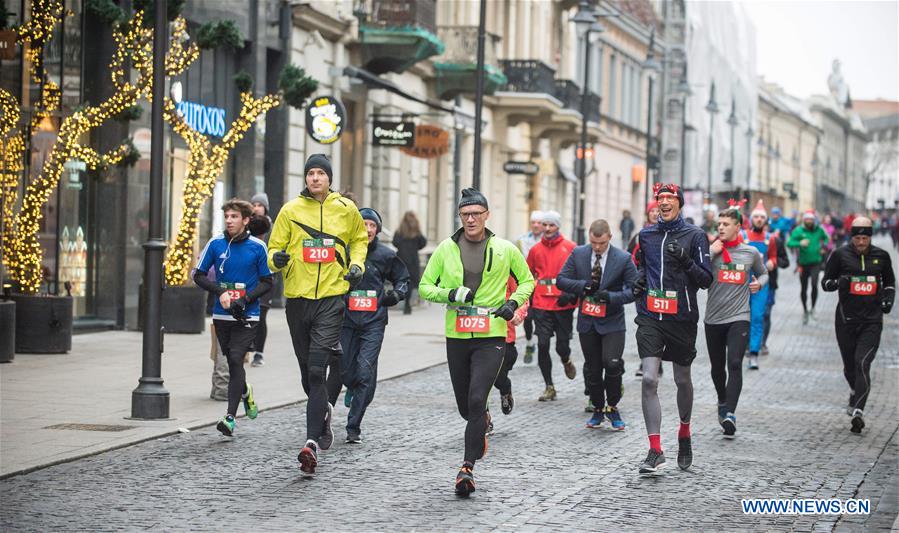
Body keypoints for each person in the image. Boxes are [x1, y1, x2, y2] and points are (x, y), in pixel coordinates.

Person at [419, 188, 535, 497]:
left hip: (491, 336)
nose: (471, 219)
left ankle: (466, 469)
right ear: (460, 217)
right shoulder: (446, 248)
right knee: (466, 407)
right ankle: (479, 422)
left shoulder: (505, 248)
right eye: (465, 214)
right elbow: (425, 287)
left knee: (475, 398)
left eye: (476, 214)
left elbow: (527, 281)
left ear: (486, 215)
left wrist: (512, 303)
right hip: (457, 335)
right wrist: (451, 294)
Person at [267, 153, 368, 476]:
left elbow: (359, 240)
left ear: (329, 179)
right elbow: (273, 249)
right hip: (297, 298)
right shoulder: (290, 210)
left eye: (320, 173)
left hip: (331, 297)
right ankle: (322, 411)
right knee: (306, 374)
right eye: (310, 173)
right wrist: (277, 259)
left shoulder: (346, 210)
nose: (315, 178)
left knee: (315, 370)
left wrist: (356, 266)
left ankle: (310, 443)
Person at [632, 183, 712, 474]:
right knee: (650, 379)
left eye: (669, 198)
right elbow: (642, 267)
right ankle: (655, 449)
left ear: (679, 203)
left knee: (681, 379)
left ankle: (684, 431)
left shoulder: (696, 236)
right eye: (660, 198)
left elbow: (705, 280)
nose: (664, 203)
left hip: (682, 317)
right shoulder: (646, 235)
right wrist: (639, 282)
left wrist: (686, 260)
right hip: (651, 315)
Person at [193, 199, 272, 436]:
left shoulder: (257, 247)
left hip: (248, 314)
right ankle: (245, 391)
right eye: (227, 216)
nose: (229, 220)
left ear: (246, 220)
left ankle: (229, 417)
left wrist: (244, 299)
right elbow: (198, 275)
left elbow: (268, 282)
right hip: (221, 315)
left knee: (237, 358)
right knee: (231, 360)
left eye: (234, 217)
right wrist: (220, 292)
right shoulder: (216, 244)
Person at [558, 219, 637, 430]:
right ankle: (598, 409)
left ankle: (613, 406)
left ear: (609, 237)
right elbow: (561, 280)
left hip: (612, 321)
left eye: (601, 243)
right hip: (588, 320)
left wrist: (610, 297)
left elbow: (634, 290)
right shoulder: (579, 254)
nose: (597, 247)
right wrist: (583, 286)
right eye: (593, 242)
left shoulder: (623, 258)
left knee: (611, 364)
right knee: (593, 369)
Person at [340, 208, 409, 444]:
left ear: (377, 229)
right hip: (347, 321)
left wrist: (396, 295)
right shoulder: (345, 252)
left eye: (372, 225)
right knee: (347, 371)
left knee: (364, 372)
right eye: (363, 225)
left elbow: (403, 279)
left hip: (374, 322)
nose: (368, 229)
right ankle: (353, 386)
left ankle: (353, 427)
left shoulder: (385, 255)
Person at [822, 217, 895, 433]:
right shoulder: (840, 255)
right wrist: (838, 282)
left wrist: (888, 300)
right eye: (857, 238)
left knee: (862, 363)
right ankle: (854, 390)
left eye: (865, 238)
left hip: (872, 320)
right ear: (851, 237)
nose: (861, 242)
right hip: (846, 320)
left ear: (870, 237)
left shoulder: (881, 256)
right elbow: (826, 283)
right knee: (849, 367)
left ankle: (858, 412)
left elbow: (890, 282)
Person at [705, 207, 768, 437]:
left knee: (734, 363)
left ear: (738, 227)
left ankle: (730, 413)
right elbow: (695, 271)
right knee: (717, 368)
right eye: (719, 224)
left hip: (739, 316)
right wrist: (710, 252)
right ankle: (723, 399)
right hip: (713, 318)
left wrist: (759, 284)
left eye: (726, 224)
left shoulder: (750, 253)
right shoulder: (710, 250)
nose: (721, 227)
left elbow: (763, 273)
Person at [526, 210, 579, 401]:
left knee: (562, 346)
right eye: (545, 225)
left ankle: (566, 360)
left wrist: (571, 294)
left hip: (563, 305)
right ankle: (549, 386)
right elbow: (527, 275)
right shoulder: (535, 250)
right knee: (542, 344)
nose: (547, 229)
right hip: (541, 304)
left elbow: (579, 275)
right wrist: (528, 301)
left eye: (551, 225)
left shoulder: (571, 247)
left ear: (558, 226)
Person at [739, 200, 778, 370]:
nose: (759, 219)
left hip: (761, 283)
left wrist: (772, 263)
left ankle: (754, 353)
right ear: (751, 219)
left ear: (766, 220)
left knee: (757, 317)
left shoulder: (771, 239)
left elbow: (774, 257)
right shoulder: (742, 236)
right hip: (741, 283)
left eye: (762, 217)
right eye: (756, 216)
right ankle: (741, 348)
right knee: (741, 318)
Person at [491, 277, 529, 421]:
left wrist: (517, 314)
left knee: (498, 378)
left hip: (505, 336)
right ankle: (484, 419)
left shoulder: (507, 267)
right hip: (477, 334)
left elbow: (522, 296)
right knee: (479, 382)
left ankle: (505, 388)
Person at [787, 210, 830, 324]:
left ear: (814, 220)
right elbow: (789, 243)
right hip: (803, 263)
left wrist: (824, 247)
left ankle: (813, 308)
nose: (809, 221)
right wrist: (799, 243)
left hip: (816, 262)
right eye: (807, 219)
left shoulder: (819, 230)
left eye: (811, 219)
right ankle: (805, 310)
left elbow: (826, 238)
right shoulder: (798, 230)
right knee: (804, 288)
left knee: (815, 284)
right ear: (804, 220)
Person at [248, 192, 273, 367]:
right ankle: (247, 347)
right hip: (248, 275)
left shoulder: (272, 227)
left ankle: (259, 352)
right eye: (254, 204)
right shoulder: (246, 225)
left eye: (260, 205)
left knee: (261, 312)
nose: (256, 207)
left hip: (265, 275)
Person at [517, 210, 544, 363]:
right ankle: (529, 343)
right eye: (533, 222)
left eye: (539, 223)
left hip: (541, 285)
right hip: (526, 283)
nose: (535, 225)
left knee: (539, 316)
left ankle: (542, 343)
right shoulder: (521, 240)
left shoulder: (546, 241)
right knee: (527, 316)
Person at [393, 211, 427, 315]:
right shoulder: (416, 232)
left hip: (401, 259)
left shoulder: (400, 231)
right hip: (413, 260)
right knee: (411, 282)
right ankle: (407, 303)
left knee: (402, 279)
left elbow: (395, 242)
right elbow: (423, 243)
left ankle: (401, 298)